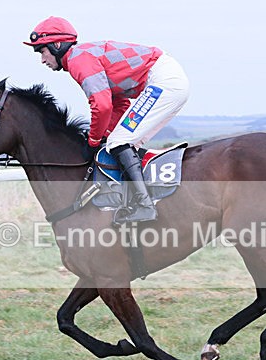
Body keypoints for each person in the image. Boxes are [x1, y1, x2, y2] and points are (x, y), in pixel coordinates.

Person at [24, 16, 189, 223]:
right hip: (166, 80)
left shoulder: (78, 60)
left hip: (164, 81)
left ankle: (145, 206)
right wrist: (103, 136)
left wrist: (93, 140)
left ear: (57, 45)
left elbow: (101, 106)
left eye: (42, 51)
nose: (42, 59)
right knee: (118, 141)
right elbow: (118, 104)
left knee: (119, 142)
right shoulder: (82, 58)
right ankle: (139, 198)